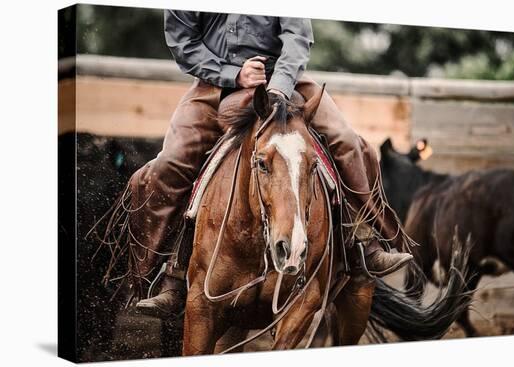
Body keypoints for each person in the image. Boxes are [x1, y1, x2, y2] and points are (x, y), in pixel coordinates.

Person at [104, 11, 413, 319]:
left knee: (347, 141)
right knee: (171, 162)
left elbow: (297, 35)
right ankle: (165, 273)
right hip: (214, 87)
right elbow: (183, 42)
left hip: (285, 81)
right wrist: (233, 74)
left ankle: (363, 243)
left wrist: (278, 83)